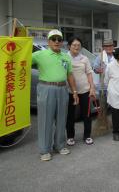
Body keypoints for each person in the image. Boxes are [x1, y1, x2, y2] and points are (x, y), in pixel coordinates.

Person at [32, 29, 79, 161]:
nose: (57, 42)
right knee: (45, 120)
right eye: (54, 39)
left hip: (63, 89)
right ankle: (44, 149)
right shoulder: (39, 55)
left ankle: (59, 145)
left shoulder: (65, 56)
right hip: (46, 88)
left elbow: (70, 75)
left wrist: (74, 91)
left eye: (59, 39)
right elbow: (21, 60)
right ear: (48, 41)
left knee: (61, 118)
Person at [66, 37, 96, 146]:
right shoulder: (65, 58)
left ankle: (87, 136)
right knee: (70, 115)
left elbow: (89, 73)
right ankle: (70, 136)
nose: (76, 47)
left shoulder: (85, 58)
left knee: (86, 114)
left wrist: (92, 87)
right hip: (69, 91)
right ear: (69, 46)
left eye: (78, 45)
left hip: (84, 90)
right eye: (74, 45)